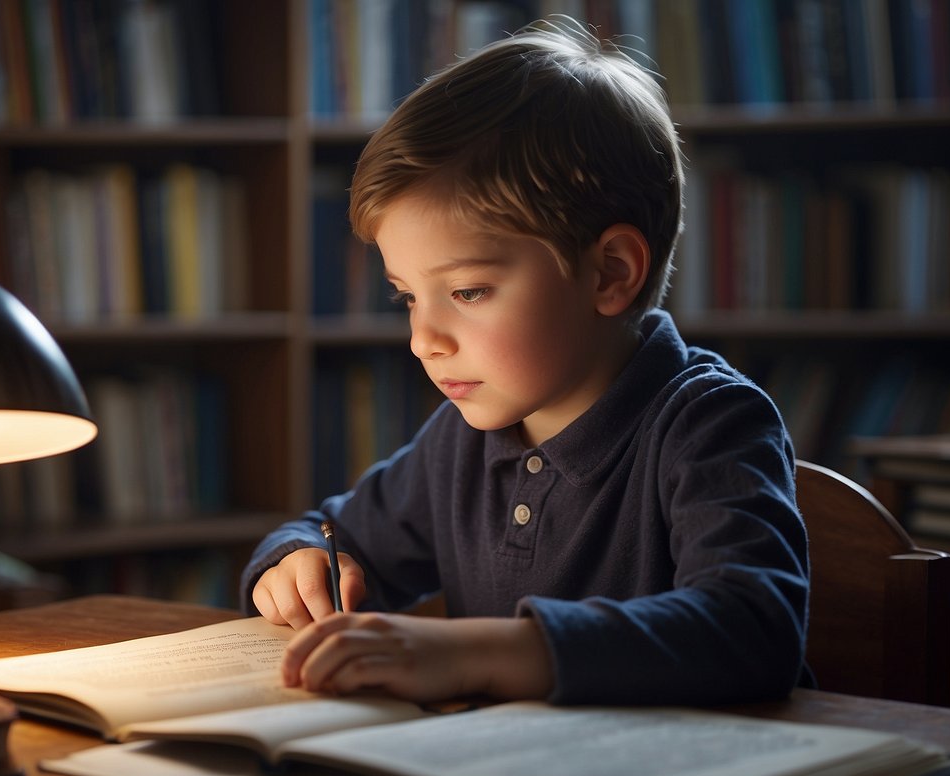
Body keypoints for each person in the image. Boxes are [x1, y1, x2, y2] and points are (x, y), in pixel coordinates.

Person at [241, 20, 809, 707]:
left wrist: (487, 651)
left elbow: (752, 630)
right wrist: (293, 563)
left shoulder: (708, 423)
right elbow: (330, 530)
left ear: (609, 273)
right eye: (407, 298)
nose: (425, 340)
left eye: (467, 292)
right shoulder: (462, 438)